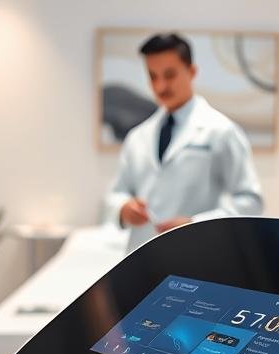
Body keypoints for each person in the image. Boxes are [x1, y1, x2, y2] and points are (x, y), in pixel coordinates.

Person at [103, 33, 263, 252]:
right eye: (153, 76)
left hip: (196, 253)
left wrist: (195, 225)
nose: (161, 86)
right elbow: (117, 193)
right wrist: (123, 208)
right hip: (140, 254)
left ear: (192, 71)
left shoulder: (221, 131)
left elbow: (250, 202)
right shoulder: (138, 136)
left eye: (169, 75)